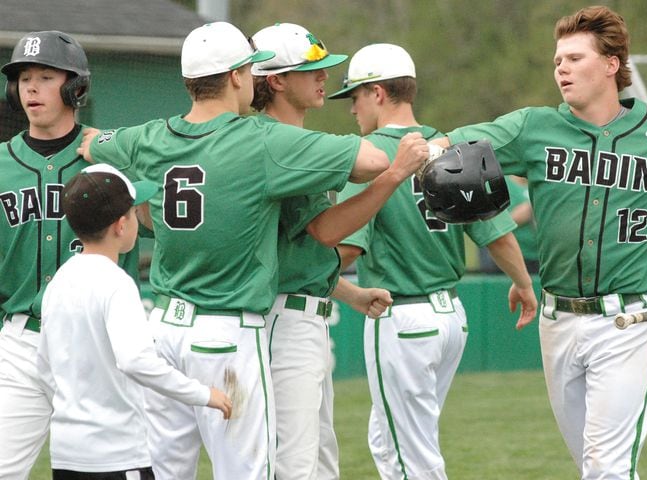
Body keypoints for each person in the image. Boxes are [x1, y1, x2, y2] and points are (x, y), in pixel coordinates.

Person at [79, 21, 392, 480]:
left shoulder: (149, 138)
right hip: (226, 331)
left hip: (165, 325)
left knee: (165, 471)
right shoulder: (258, 141)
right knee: (250, 471)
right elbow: (372, 162)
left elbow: (91, 144)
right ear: (236, 77)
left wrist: (149, 209)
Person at [433, 6, 647, 478]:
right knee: (591, 463)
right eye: (557, 61)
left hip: (630, 318)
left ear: (611, 64)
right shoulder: (534, 127)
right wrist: (420, 149)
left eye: (574, 57)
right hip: (558, 318)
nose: (561, 69)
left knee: (606, 467)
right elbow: (454, 143)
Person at [330, 43, 538, 479]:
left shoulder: (371, 157)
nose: (352, 109)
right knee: (391, 443)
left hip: (401, 317)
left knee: (410, 458)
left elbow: (346, 247)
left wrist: (303, 259)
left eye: (355, 96)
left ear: (379, 93)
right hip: (450, 320)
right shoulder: (452, 148)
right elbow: (496, 233)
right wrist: (523, 283)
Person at [250, 23, 428, 479]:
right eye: (311, 70)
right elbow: (327, 231)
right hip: (279, 318)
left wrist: (347, 292)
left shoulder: (286, 141)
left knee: (320, 459)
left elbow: (297, 247)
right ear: (275, 80)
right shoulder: (270, 140)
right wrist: (393, 176)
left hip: (301, 310)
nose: (324, 78)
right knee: (292, 462)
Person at [37, 164, 233, 480]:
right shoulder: (117, 282)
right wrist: (202, 394)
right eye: (132, 210)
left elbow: (45, 367)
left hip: (67, 455)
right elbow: (135, 361)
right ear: (120, 225)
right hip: (117, 456)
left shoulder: (58, 281)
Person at [0, 30, 137, 479]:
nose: (31, 88)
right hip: (19, 341)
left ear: (75, 87)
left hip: (95, 343)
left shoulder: (107, 159)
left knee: (103, 471)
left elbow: (152, 229)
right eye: (23, 78)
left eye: (45, 76)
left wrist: (119, 155)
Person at [479, 175, 540, 274]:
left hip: (538, 258)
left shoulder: (540, 184)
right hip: (508, 258)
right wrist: (523, 213)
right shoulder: (499, 184)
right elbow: (489, 225)